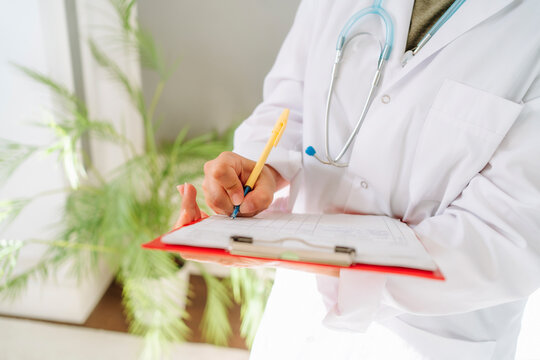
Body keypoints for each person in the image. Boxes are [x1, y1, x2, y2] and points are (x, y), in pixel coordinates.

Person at [175, 0, 540, 359]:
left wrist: (303, 252)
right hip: (301, 314)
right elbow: (290, 102)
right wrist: (262, 169)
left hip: (432, 335)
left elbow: (510, 234)